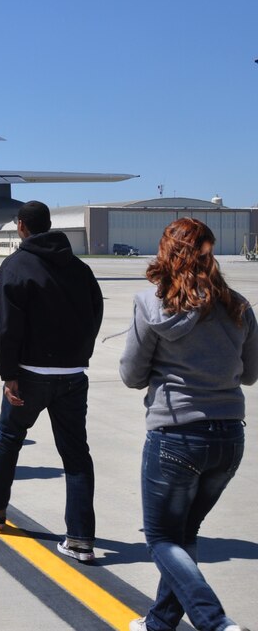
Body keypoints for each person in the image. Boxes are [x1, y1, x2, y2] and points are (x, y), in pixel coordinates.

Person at [119, 218, 257, 631]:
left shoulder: (151, 304)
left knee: (162, 539)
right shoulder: (237, 305)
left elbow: (131, 374)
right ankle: (160, 622)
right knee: (184, 534)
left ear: (167, 253)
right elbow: (250, 374)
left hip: (176, 434)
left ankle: (214, 622)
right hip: (229, 435)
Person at [0, 200, 103, 564]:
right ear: (49, 225)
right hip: (73, 375)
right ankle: (80, 539)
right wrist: (79, 354)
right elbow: (96, 311)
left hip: (29, 375)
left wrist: (9, 375)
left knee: (9, 438)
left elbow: (8, 326)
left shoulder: (15, 266)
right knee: (76, 457)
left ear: (20, 226)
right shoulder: (79, 267)